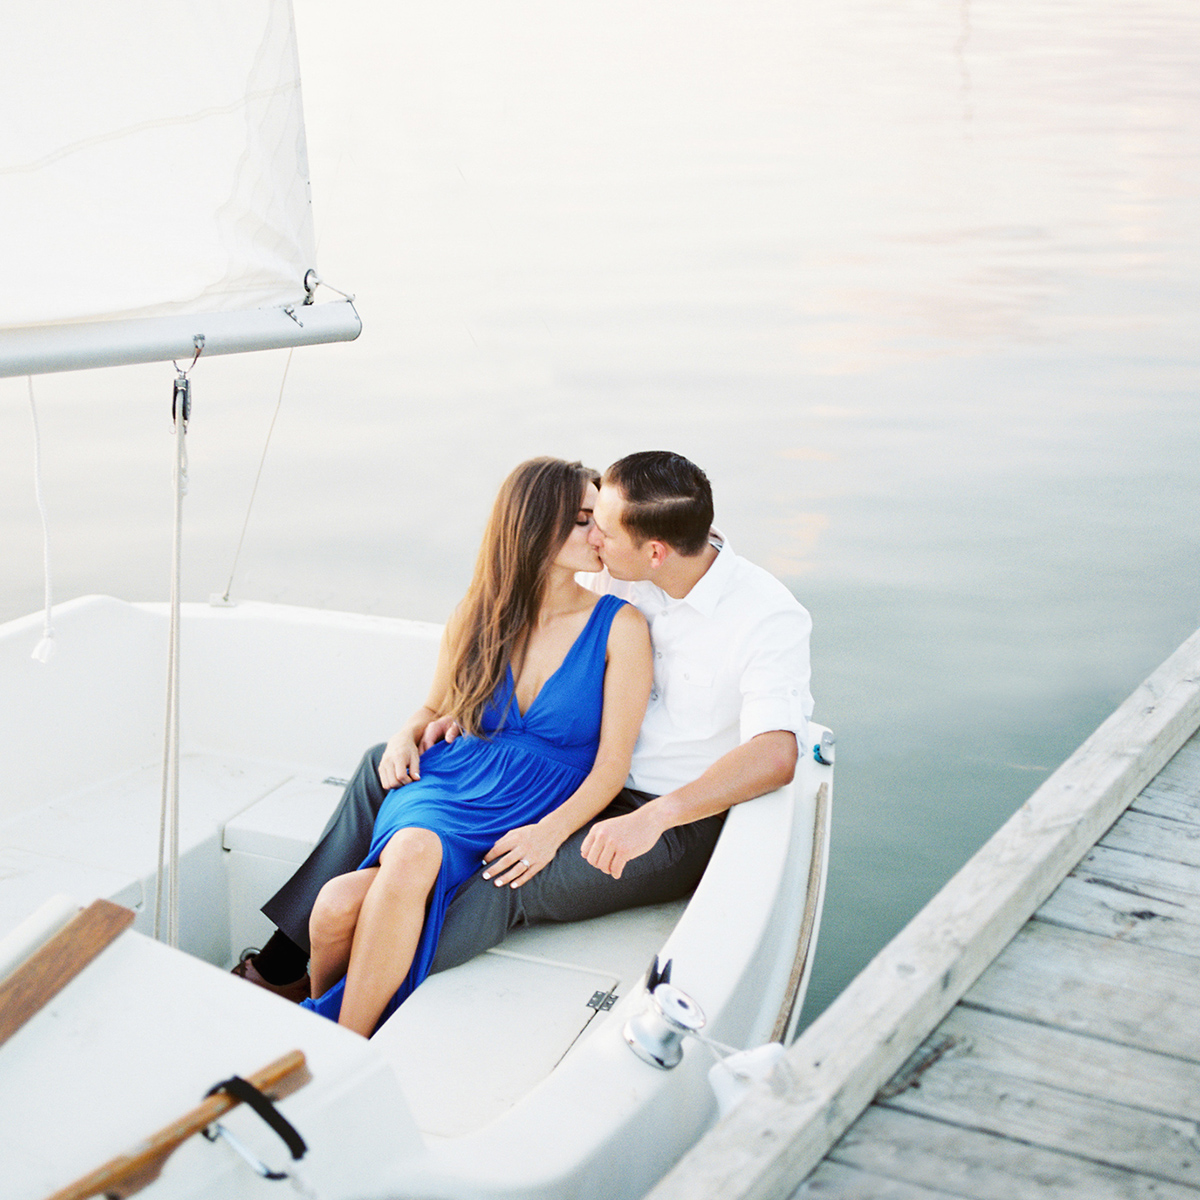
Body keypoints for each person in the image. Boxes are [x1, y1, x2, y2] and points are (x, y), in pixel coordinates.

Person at [234, 450, 811, 1005]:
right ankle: (290, 959)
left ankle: (352, 999)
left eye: (603, 528)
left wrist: (653, 817)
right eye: (592, 523)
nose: (596, 539)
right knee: (379, 765)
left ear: (655, 552)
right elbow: (538, 615)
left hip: (663, 813)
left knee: (500, 884)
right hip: (576, 778)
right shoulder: (623, 568)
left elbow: (777, 754)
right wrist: (465, 711)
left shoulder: (763, 615)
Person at [292, 457, 652, 1036]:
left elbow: (612, 768)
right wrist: (403, 736)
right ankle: (347, 1042)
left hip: (530, 805)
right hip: (452, 786)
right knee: (391, 867)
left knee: (338, 906)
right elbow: (433, 708)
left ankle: (326, 1033)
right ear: (537, 524)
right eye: (585, 520)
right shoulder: (478, 613)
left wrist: (549, 833)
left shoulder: (621, 626)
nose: (601, 536)